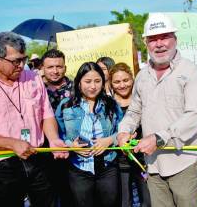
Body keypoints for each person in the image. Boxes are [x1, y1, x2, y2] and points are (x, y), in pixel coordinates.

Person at [0, 32, 67, 207]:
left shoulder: (33, 78)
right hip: (1, 165)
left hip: (37, 157)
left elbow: (46, 115)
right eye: (15, 61)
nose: (21, 65)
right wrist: (12, 144)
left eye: (23, 59)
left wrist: (54, 139)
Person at [117, 13, 197, 207]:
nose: (159, 44)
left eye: (164, 37)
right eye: (153, 39)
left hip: (184, 162)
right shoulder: (141, 76)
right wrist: (124, 129)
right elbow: (134, 112)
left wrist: (159, 138)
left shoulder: (190, 72)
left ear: (175, 39)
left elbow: (194, 116)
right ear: (146, 43)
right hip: (153, 165)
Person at [55, 62, 123, 207]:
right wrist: (70, 145)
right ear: (79, 82)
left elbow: (123, 132)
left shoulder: (111, 104)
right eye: (88, 81)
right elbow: (58, 133)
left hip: (108, 167)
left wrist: (109, 140)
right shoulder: (66, 106)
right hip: (79, 169)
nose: (93, 86)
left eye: (97, 81)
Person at [109, 62, 151, 207]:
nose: (122, 85)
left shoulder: (142, 99)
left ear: (132, 79)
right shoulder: (108, 103)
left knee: (148, 200)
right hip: (120, 162)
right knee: (124, 201)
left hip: (143, 159)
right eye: (117, 82)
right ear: (111, 83)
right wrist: (119, 136)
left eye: (126, 80)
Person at [41, 48, 75, 207]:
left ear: (65, 68)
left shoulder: (77, 89)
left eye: (59, 66)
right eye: (50, 67)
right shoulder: (36, 88)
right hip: (45, 150)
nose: (55, 71)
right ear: (42, 68)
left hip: (73, 150)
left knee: (72, 193)